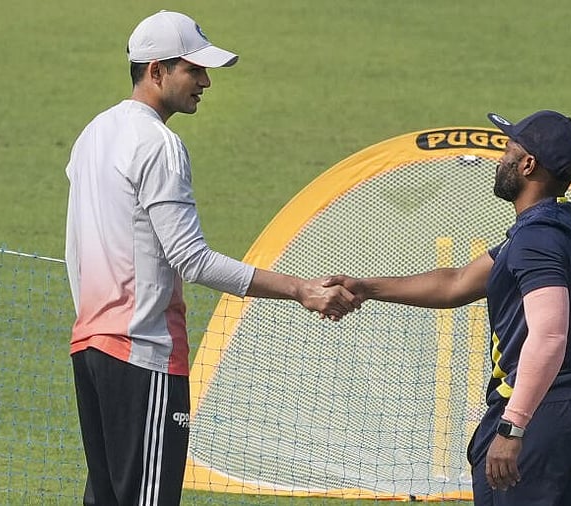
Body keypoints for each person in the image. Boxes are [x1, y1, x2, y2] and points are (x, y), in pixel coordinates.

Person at [63, 10, 359, 506]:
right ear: (156, 71)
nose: (205, 82)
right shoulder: (159, 146)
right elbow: (192, 260)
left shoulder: (93, 134)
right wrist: (300, 289)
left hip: (90, 348)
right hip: (144, 354)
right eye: (193, 69)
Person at [325, 110, 571, 505]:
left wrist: (513, 428)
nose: (500, 159)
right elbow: (456, 284)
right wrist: (366, 287)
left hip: (544, 414)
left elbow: (550, 335)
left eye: (507, 149)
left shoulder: (535, 241)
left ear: (528, 165)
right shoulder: (558, 228)